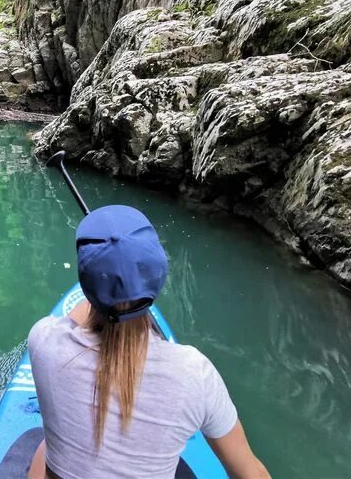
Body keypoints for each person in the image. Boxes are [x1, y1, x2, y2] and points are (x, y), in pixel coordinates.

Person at [27, 205, 270, 479]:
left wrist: (106, 284)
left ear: (87, 285)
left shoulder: (44, 341)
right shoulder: (195, 374)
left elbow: (77, 316)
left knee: (44, 447)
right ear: (158, 278)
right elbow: (252, 473)